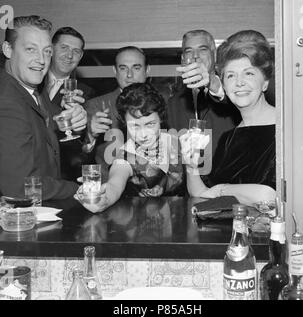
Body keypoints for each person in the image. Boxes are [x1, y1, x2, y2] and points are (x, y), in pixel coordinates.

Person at [180, 30, 276, 205]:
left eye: (249, 73)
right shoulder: (228, 138)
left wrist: (222, 190)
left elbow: (268, 196)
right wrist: (190, 164)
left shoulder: (285, 129)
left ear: (266, 82)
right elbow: (201, 192)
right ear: (224, 84)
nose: (239, 82)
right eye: (231, 75)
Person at [0, 15, 87, 200]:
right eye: (31, 49)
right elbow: (19, 187)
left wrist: (73, 122)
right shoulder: (6, 101)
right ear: (8, 49)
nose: (41, 60)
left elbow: (43, 133)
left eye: (47, 51)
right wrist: (80, 190)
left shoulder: (35, 90)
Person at [75, 82, 184, 213]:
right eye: (135, 126)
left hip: (183, 217)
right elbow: (114, 184)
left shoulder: (174, 140)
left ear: (160, 118)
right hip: (143, 224)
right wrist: (104, 200)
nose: (143, 134)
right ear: (125, 124)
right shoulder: (126, 156)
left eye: (150, 124)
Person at [167, 30, 241, 174]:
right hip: (191, 187)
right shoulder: (173, 104)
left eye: (202, 49)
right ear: (183, 59)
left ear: (214, 55)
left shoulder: (234, 90)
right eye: (189, 51)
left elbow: (234, 103)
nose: (195, 56)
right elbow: (172, 158)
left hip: (231, 186)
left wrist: (212, 83)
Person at [84, 46, 150, 179]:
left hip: (151, 189)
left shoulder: (161, 104)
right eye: (123, 68)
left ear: (147, 70)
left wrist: (160, 184)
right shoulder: (96, 106)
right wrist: (90, 135)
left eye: (136, 68)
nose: (129, 75)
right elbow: (78, 155)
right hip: (108, 188)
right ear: (115, 71)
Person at [43, 26, 96, 182]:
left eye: (76, 51)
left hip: (62, 177)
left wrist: (87, 132)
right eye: (64, 48)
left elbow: (82, 151)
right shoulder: (32, 81)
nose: (70, 55)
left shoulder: (86, 94)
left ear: (81, 56)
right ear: (51, 49)